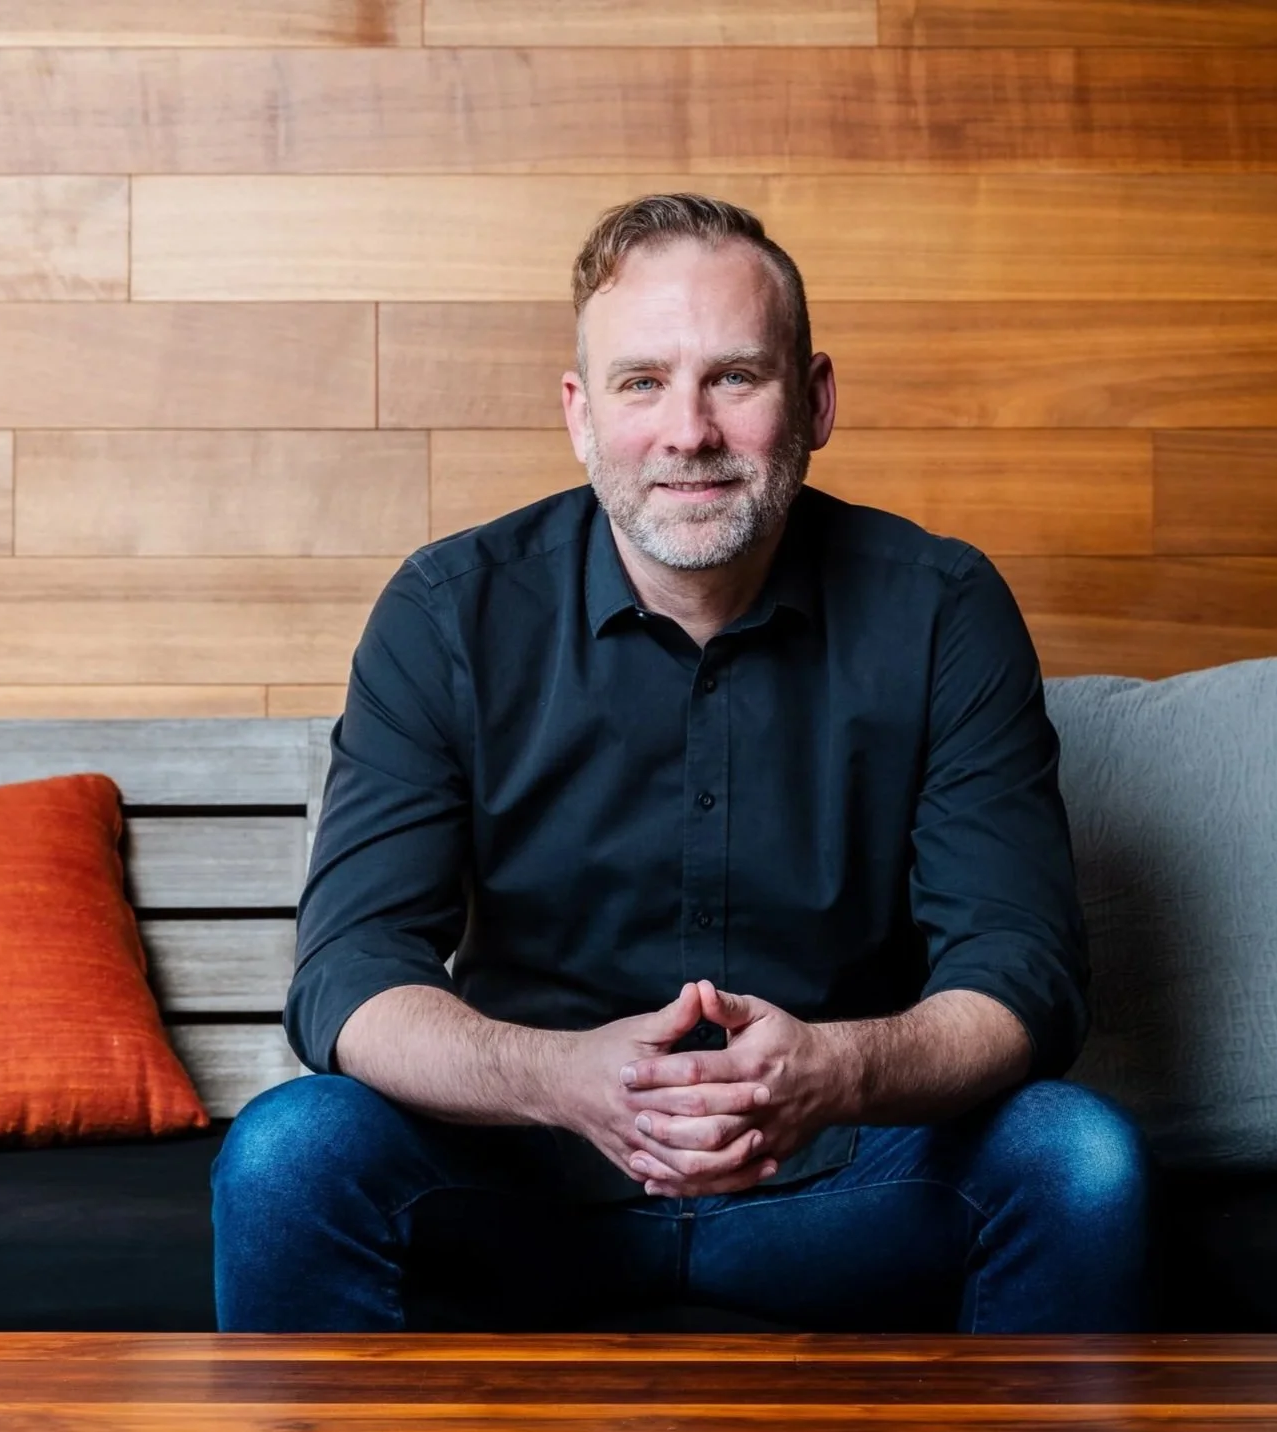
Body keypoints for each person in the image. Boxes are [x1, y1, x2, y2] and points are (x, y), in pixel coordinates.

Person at [212, 193, 1148, 1333]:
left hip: (847, 1183)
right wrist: (562, 1078)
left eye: (736, 378)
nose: (688, 430)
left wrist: (833, 1073)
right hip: (527, 1191)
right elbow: (347, 975)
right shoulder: (448, 613)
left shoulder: (942, 609)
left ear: (815, 399)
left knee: (1078, 1156)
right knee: (288, 1151)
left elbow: (1025, 973)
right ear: (580, 414)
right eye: (642, 381)